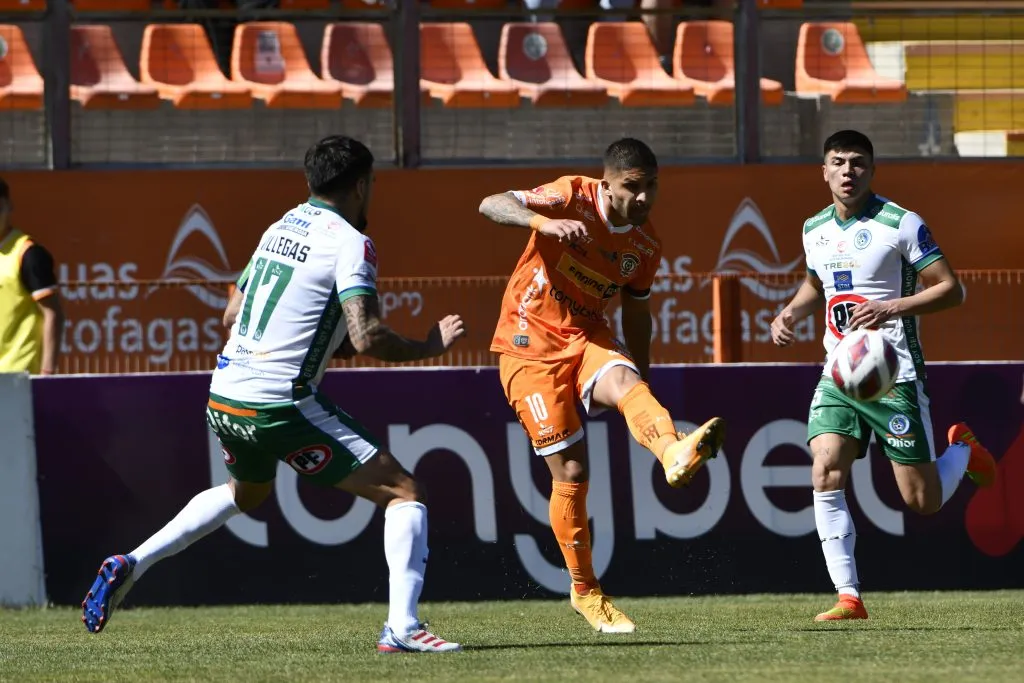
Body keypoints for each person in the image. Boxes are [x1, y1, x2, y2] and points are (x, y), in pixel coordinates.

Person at [81, 136, 465, 654]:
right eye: (371, 183)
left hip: (224, 395)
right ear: (360, 184)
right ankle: (402, 626)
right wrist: (428, 346)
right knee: (403, 492)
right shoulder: (351, 241)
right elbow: (367, 334)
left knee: (247, 493)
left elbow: (231, 314)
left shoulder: (280, 226)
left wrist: (316, 344)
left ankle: (132, 562)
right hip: (278, 402)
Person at [478, 138, 726, 633]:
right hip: (528, 345)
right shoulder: (569, 195)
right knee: (570, 470)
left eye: (652, 187)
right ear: (606, 184)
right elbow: (490, 204)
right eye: (633, 188)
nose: (645, 198)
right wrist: (542, 222)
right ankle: (586, 592)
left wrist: (642, 380)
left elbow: (638, 313)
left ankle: (673, 453)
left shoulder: (645, 245)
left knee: (624, 379)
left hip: (588, 337)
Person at [770, 129, 998, 622]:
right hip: (839, 373)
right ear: (824, 171)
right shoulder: (814, 228)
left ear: (872, 171)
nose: (848, 171)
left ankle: (964, 452)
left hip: (893, 376)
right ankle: (848, 596)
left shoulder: (902, 223)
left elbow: (952, 290)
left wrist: (891, 307)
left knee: (921, 501)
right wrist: (788, 312)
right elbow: (817, 282)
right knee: (824, 468)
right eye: (839, 162)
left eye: (858, 163)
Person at [0, 177, 63, 376]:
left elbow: (53, 314)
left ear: (9, 206)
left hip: (18, 378)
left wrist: (47, 373)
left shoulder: (28, 254)